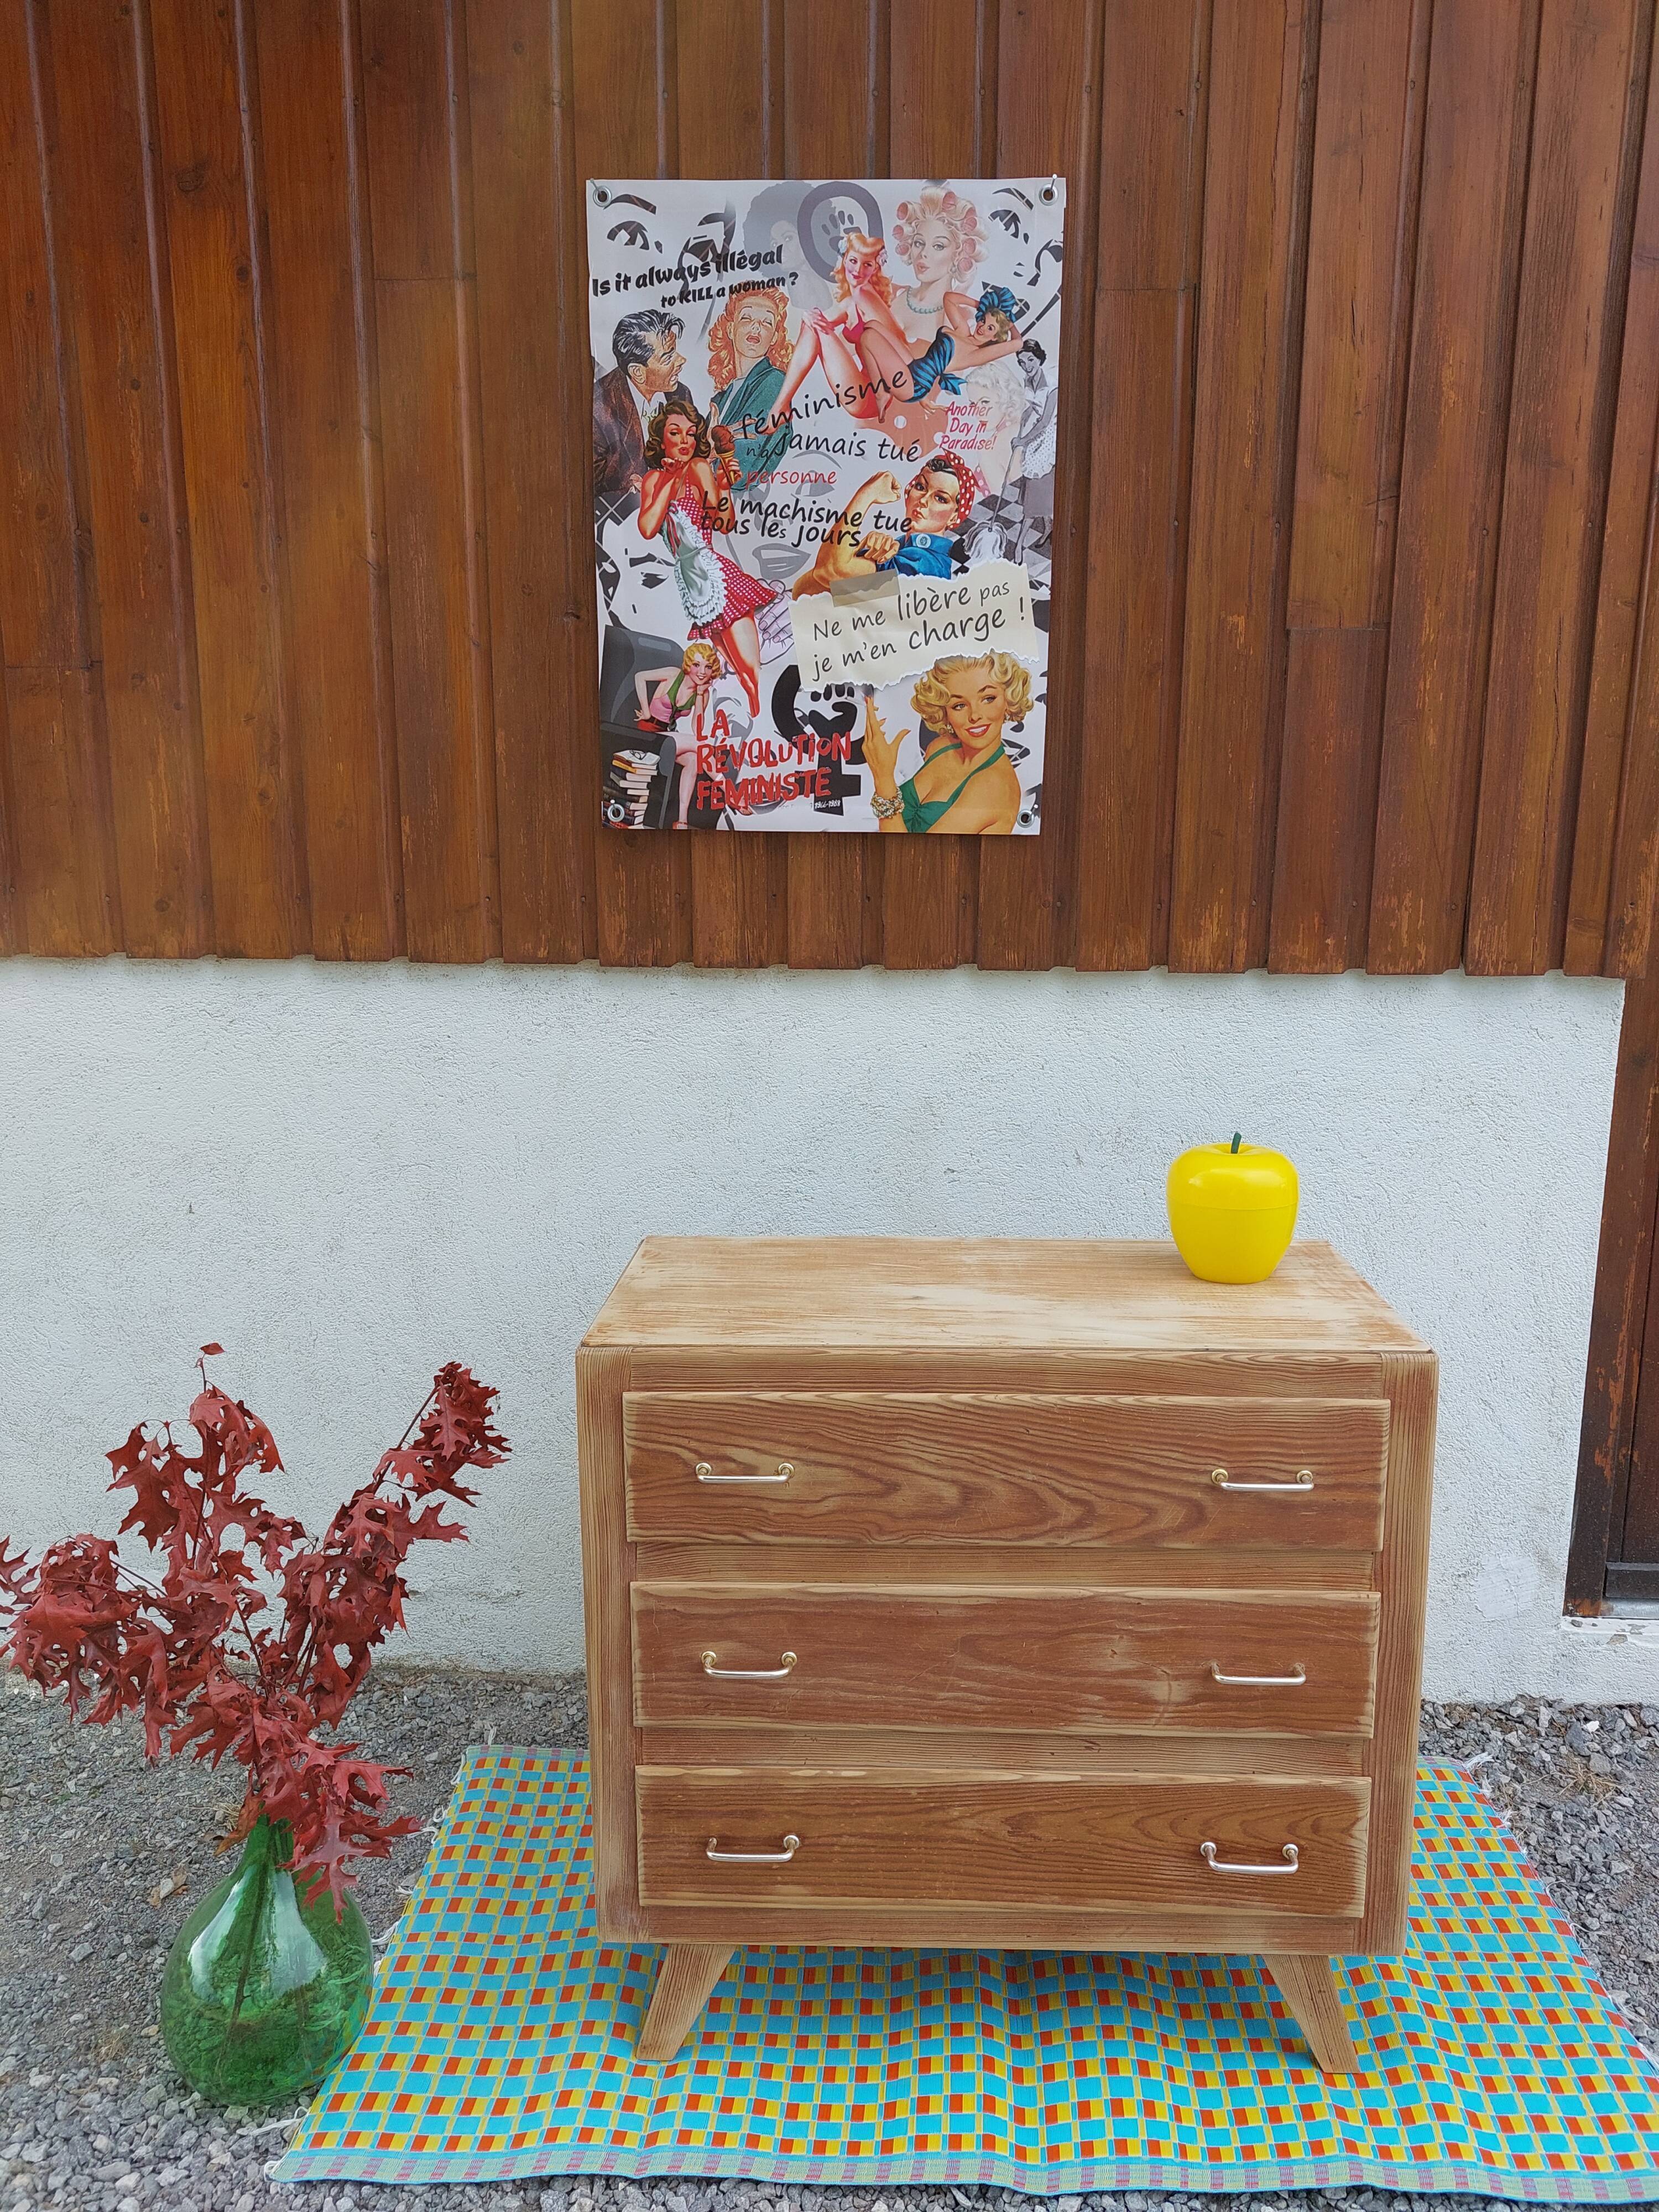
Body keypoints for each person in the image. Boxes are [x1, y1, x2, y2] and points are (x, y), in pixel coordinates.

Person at [636, 395, 779, 718]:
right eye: (675, 433)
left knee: (751, 673)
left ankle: (763, 725)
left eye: (690, 433)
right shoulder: (653, 481)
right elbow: (647, 527)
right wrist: (671, 480)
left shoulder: (700, 468)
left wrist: (725, 486)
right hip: (693, 586)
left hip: (719, 579)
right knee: (736, 674)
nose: (685, 441)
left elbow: (724, 522)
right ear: (661, 439)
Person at [862, 651, 1029, 834]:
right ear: (945, 711)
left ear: (1008, 699)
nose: (974, 715)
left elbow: (915, 857)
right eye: (959, 705)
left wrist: (884, 778)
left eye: (988, 699)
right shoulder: (941, 747)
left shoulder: (995, 789)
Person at [791, 451, 978, 598]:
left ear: (955, 516)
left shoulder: (924, 565)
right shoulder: (902, 548)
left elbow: (829, 571)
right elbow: (808, 589)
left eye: (940, 498)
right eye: (921, 487)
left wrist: (866, 495)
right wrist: (860, 549)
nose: (923, 501)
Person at [592, 308, 691, 516]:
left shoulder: (681, 395)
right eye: (668, 357)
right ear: (638, 372)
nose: (681, 361)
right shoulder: (599, 409)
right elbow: (590, 490)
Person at [707, 287, 794, 498]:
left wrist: (708, 454)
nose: (756, 327)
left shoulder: (774, 383)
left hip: (744, 512)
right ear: (731, 329)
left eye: (767, 323)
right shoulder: (722, 397)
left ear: (774, 337)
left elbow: (738, 475)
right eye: (746, 318)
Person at [633, 643, 724, 828]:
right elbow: (640, 677)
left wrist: (699, 696)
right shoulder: (674, 675)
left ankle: (682, 821)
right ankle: (728, 790)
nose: (702, 672)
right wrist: (646, 711)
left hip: (666, 738)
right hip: (645, 735)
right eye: (696, 665)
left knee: (694, 760)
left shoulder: (703, 694)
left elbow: (697, 730)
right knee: (699, 745)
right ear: (689, 664)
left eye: (708, 667)